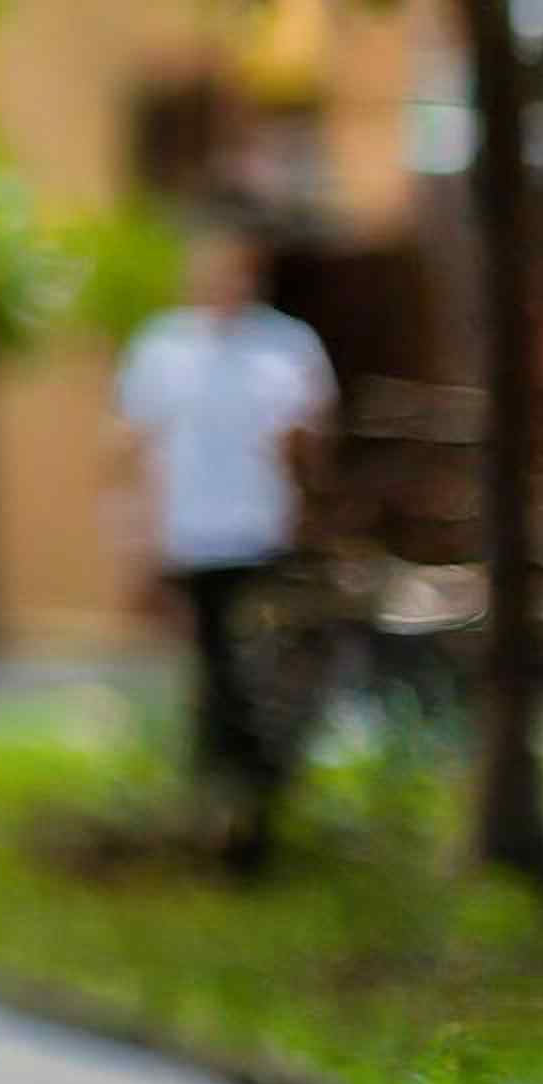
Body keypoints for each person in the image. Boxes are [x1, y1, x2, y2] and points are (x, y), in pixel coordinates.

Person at [112, 218, 336, 875]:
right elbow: (134, 449)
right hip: (191, 538)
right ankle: (229, 813)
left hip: (263, 535)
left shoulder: (286, 346)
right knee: (216, 679)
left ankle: (254, 800)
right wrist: (137, 544)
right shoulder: (161, 347)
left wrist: (310, 507)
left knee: (259, 674)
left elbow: (315, 439)